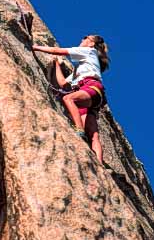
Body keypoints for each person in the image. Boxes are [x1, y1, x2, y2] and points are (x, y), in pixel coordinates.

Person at [32, 34, 110, 164]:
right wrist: (56, 64)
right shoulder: (80, 68)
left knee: (69, 99)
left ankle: (79, 131)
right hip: (94, 94)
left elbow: (59, 51)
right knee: (93, 135)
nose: (82, 39)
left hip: (91, 86)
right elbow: (63, 83)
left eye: (85, 38)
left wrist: (35, 47)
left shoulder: (89, 51)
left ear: (91, 44)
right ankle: (100, 164)